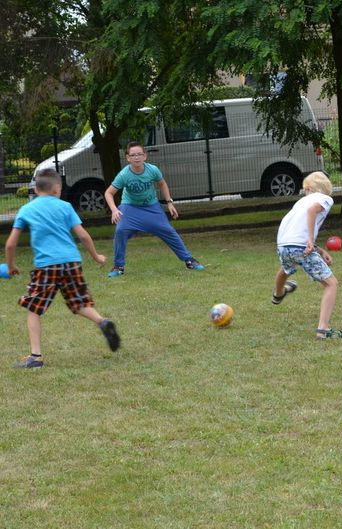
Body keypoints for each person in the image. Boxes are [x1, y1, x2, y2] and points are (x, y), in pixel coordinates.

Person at [4, 169, 120, 369]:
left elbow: (10, 245)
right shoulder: (65, 206)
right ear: (57, 189)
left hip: (47, 266)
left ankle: (36, 357)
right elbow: (83, 236)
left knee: (33, 308)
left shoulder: (27, 209)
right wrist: (96, 256)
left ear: (35, 188)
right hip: (71, 262)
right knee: (79, 302)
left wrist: (12, 265)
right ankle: (102, 322)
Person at [103, 141, 204, 277]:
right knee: (120, 231)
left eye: (139, 154)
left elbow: (162, 183)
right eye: (133, 155)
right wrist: (115, 210)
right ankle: (118, 267)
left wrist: (169, 202)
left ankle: (189, 260)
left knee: (169, 231)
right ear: (128, 158)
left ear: (145, 156)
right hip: (130, 207)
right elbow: (108, 193)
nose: (136, 157)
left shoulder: (153, 170)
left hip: (151, 207)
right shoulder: (124, 175)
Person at [273, 171, 342, 340]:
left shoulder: (299, 203)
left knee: (286, 268)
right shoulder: (324, 198)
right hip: (299, 246)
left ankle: (278, 294)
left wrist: (319, 250)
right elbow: (313, 211)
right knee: (332, 284)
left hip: (283, 246)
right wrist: (310, 240)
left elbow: (297, 232)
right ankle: (323, 329)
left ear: (308, 188)